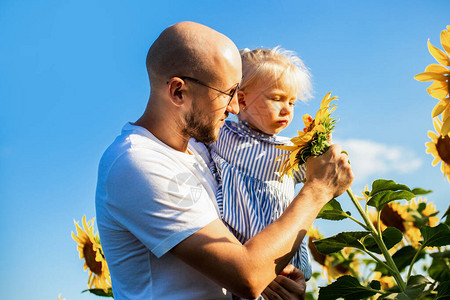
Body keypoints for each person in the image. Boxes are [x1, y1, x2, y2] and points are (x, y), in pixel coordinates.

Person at [95, 21, 353, 299]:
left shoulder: (201, 154)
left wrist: (276, 279)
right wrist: (318, 189)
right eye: (227, 93)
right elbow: (246, 275)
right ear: (178, 92)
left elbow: (246, 261)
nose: (234, 107)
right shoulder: (138, 163)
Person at [210, 47, 313, 284]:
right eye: (277, 99)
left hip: (280, 259)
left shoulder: (292, 149)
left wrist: (318, 145)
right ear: (242, 100)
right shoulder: (221, 133)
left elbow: (320, 177)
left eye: (292, 102)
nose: (287, 109)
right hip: (235, 255)